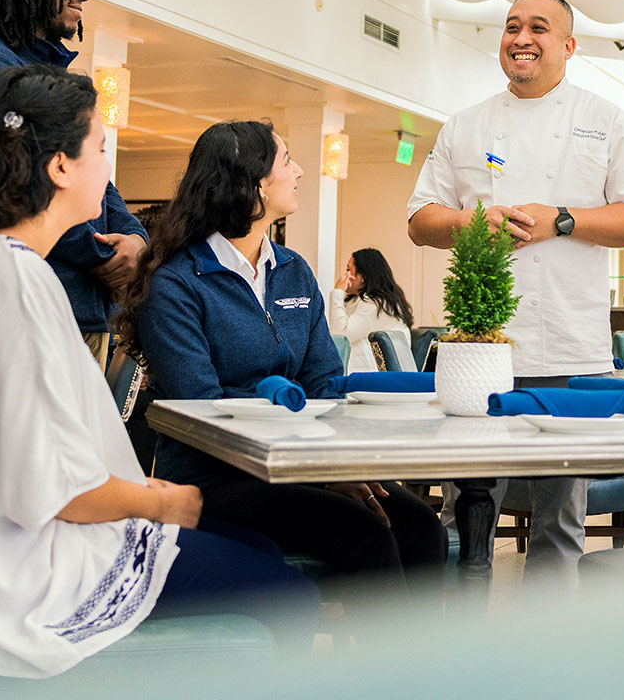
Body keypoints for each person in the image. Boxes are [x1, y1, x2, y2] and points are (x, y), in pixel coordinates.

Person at [0, 66, 317, 676]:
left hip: (15, 544)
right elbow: (48, 488)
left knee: (258, 549)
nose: (109, 169)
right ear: (60, 167)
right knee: (288, 594)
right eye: (102, 148)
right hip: (40, 571)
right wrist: (159, 501)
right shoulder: (13, 281)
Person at [406, 0, 624, 587]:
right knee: (464, 513)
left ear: (568, 46)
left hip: (573, 350)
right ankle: (458, 642)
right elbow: (420, 220)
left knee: (559, 523)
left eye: (539, 28)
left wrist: (563, 219)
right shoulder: (466, 125)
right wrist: (474, 222)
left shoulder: (605, 119)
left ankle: (548, 664)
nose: (522, 37)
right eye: (512, 26)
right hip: (481, 352)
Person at [122, 120, 446, 597]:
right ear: (251, 181)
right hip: (216, 478)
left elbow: (323, 382)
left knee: (422, 524)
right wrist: (316, 479)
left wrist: (338, 471)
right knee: (366, 532)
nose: (298, 172)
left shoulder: (292, 270)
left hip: (299, 467)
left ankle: (428, 669)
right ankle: (382, 673)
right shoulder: (176, 281)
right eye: (286, 161)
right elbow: (203, 407)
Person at [0, 0, 144, 367]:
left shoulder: (52, 73)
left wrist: (136, 240)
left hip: (81, 311)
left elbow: (94, 180)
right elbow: (34, 184)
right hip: (33, 309)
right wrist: (107, 257)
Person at [330, 247, 416, 372]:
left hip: (379, 377)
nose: (345, 276)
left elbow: (340, 336)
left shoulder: (379, 304)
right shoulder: (356, 301)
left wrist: (337, 292)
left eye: (349, 270)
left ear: (363, 276)